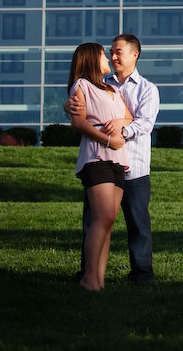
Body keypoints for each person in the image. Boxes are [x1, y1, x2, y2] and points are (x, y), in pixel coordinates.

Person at [66, 34, 160, 284]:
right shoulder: (99, 83)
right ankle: (89, 274)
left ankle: (142, 274)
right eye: (110, 52)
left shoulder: (147, 89)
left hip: (135, 167)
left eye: (118, 52)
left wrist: (122, 129)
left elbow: (145, 122)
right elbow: (81, 113)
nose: (113, 57)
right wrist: (69, 106)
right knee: (95, 221)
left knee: (138, 223)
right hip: (102, 161)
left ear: (134, 55)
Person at [67, 42, 133, 291]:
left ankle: (98, 281)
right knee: (102, 218)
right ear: (91, 60)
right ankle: (88, 279)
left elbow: (129, 117)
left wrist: (119, 122)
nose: (108, 58)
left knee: (109, 221)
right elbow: (78, 122)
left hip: (118, 160)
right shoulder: (81, 85)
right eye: (103, 54)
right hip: (96, 158)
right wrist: (108, 139)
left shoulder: (112, 90)